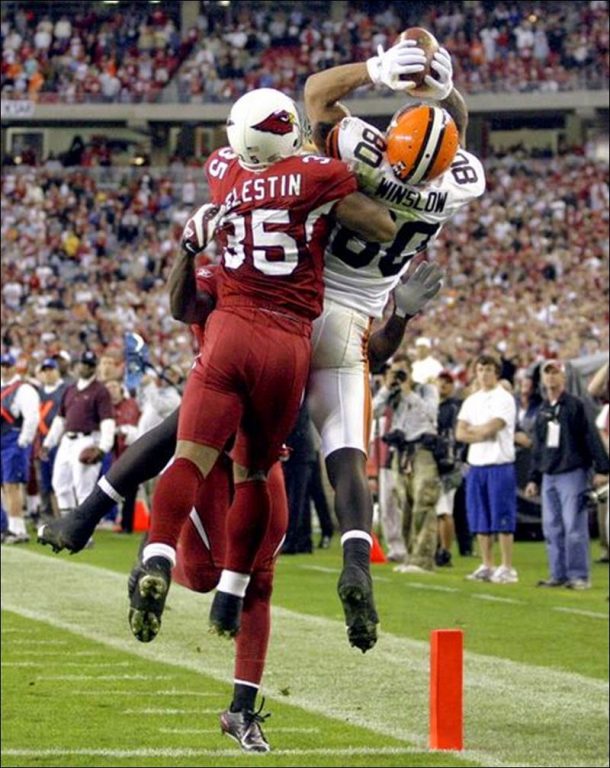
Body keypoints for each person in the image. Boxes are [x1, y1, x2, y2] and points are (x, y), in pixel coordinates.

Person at [130, 87, 397, 655]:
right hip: (292, 338)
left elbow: (184, 302)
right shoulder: (316, 174)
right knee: (267, 472)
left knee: (186, 456)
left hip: (232, 328)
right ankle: (327, 569)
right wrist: (363, 176)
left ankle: (156, 553)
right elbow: (381, 227)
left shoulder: (222, 169)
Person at [304, 37, 483, 630]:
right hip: (359, 319)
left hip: (298, 302)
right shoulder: (452, 186)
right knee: (347, 458)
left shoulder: (365, 153)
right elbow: (454, 131)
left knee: (227, 429)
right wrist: (445, 91)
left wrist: (378, 70)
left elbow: (316, 96)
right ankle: (357, 559)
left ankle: (160, 535)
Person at [525, 360, 609, 589]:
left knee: (574, 526)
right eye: (547, 373)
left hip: (572, 472)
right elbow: (538, 447)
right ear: (542, 379)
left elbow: (591, 436)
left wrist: (603, 469)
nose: (551, 378)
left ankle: (579, 576)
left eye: (555, 373)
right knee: (551, 527)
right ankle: (558, 574)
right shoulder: (543, 409)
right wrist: (534, 477)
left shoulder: (576, 405)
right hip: (550, 475)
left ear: (564, 378)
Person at [374, 355, 440, 573]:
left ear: (411, 371)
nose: (399, 375)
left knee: (424, 501)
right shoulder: (392, 394)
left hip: (423, 450)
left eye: (403, 371)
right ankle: (410, 557)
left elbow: (431, 414)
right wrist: (386, 388)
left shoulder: (426, 390)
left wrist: (408, 390)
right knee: (405, 506)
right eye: (395, 371)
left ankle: (423, 559)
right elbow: (372, 412)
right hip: (400, 453)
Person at [456, 354, 518, 584]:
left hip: (499, 463)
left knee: (502, 516)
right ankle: (487, 564)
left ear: (497, 372)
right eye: (480, 369)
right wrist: (476, 431)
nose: (484, 373)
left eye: (489, 369)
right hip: (477, 464)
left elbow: (492, 429)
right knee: (479, 517)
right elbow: (459, 432)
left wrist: (475, 431)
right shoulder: (471, 400)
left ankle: (507, 566)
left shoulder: (504, 398)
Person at [41, 350, 115, 521]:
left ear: (94, 368)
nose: (85, 367)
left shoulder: (100, 391)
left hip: (88, 439)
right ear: (76, 365)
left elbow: (107, 421)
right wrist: (48, 442)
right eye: (83, 363)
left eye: (89, 365)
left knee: (84, 488)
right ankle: (67, 526)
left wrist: (104, 447)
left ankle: (83, 531)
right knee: (59, 484)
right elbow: (60, 419)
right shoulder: (70, 389)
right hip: (67, 440)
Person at [1, 353, 40, 544]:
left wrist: (24, 441)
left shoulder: (23, 389)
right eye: (2, 365)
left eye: (7, 365)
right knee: (4, 485)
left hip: (13, 439)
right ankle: (9, 526)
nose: (4, 368)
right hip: (3, 439)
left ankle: (18, 528)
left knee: (12, 485)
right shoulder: (3, 388)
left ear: (14, 367)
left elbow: (32, 416)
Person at [434, 369, 464, 567]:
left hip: (449, 463)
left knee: (445, 510)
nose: (443, 385)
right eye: (440, 382)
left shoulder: (454, 407)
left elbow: (454, 437)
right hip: (435, 461)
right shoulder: (434, 406)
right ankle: (439, 549)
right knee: (438, 510)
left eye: (447, 382)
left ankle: (445, 551)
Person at [33, 357, 68, 521]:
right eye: (44, 370)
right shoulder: (37, 392)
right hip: (40, 442)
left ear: (57, 370)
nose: (47, 373)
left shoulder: (65, 390)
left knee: (61, 481)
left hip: (61, 443)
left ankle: (64, 516)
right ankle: (47, 517)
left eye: (50, 370)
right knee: (43, 481)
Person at [105, 379, 140, 533]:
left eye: (114, 386)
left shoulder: (131, 404)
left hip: (130, 451)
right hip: (111, 453)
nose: (111, 390)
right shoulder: (104, 406)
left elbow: (137, 427)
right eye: (108, 387)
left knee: (130, 490)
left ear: (120, 388)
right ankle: (112, 519)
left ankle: (127, 524)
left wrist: (122, 431)